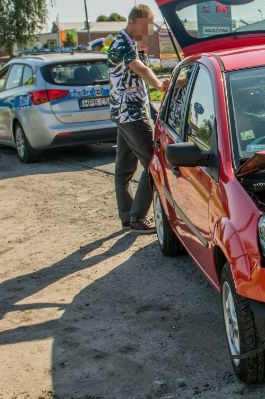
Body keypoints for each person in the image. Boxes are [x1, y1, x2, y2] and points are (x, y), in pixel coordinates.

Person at [107, 5, 170, 233]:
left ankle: (126, 215)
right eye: (148, 23)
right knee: (154, 161)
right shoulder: (123, 44)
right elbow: (140, 69)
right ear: (133, 21)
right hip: (131, 113)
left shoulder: (126, 43)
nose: (151, 29)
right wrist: (161, 85)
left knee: (124, 167)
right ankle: (137, 217)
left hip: (123, 113)